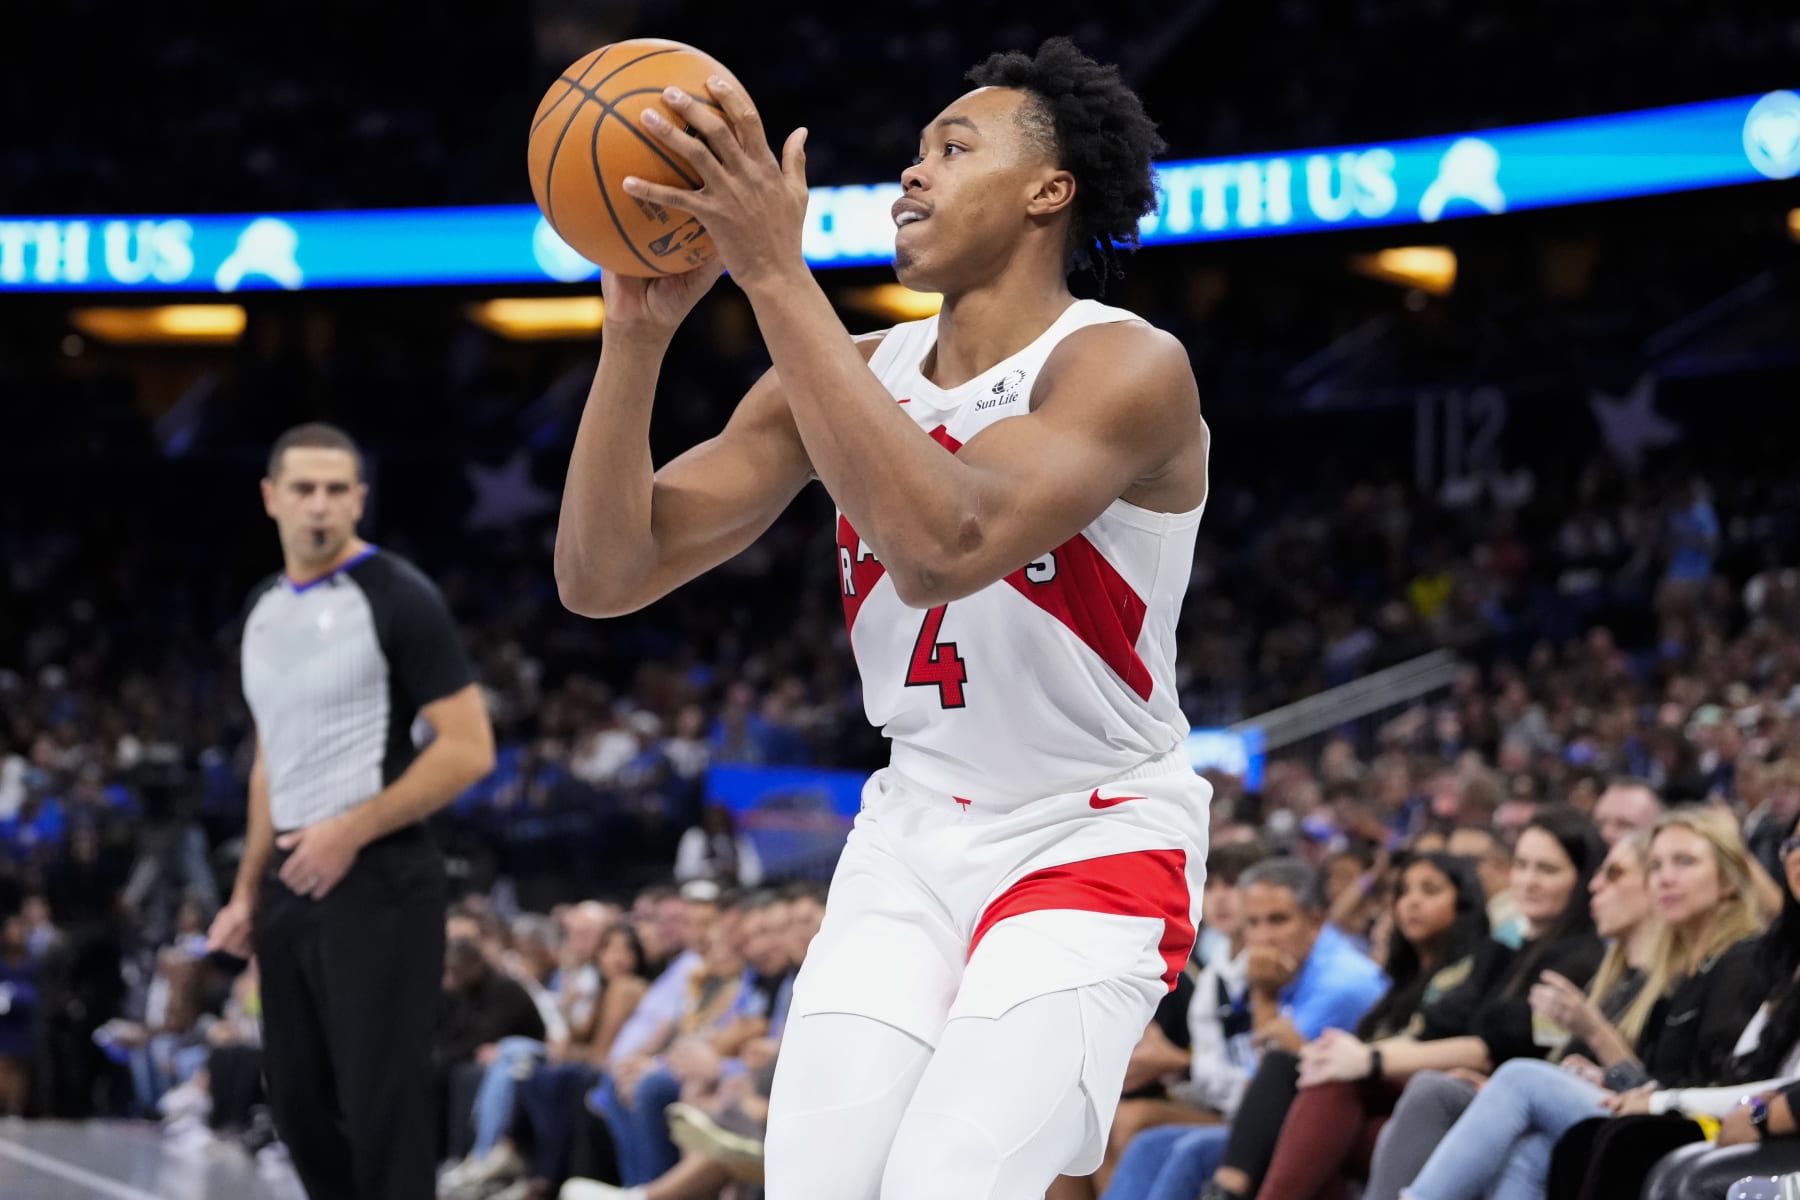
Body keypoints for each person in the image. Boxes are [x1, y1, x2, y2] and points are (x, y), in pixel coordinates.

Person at [555, 36, 1207, 1200]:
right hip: (913, 828)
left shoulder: (1124, 366)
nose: (912, 174)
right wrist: (636, 340)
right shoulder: (851, 367)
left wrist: (772, 275)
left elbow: (944, 547)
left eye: (953, 149)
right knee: (819, 1184)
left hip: (1091, 833)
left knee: (949, 1181)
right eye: (913, 152)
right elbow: (605, 574)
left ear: (1048, 193)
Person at [206, 422, 496, 1200]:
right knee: (296, 1106)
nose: (320, 505)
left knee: (382, 1108)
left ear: (361, 499)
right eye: (303, 489)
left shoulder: (398, 596)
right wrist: (245, 889)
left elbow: (469, 748)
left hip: (382, 879)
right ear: (271, 498)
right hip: (289, 882)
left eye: (338, 489)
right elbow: (274, 754)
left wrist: (348, 831)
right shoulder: (263, 606)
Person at [1398, 807, 1767, 1200]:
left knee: (1516, 1079)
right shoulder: (1690, 968)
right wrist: (1603, 1076)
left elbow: (1714, 1082)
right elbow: (1653, 1078)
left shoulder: (1741, 960)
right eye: (1656, 865)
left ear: (1728, 881)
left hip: (1700, 1125)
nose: (1665, 877)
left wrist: (1595, 1036)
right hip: (1656, 1112)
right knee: (1531, 1148)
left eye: (1685, 862)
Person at [1102, 852, 1483, 1200]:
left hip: (1338, 1111)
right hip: (1281, 1114)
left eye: (1278, 920)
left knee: (1186, 1146)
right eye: (1252, 923)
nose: (1263, 937)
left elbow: (1270, 1081)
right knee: (1133, 1139)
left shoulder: (1343, 982)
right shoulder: (1245, 968)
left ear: (1316, 921)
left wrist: (1264, 1001)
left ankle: (1230, 1189)